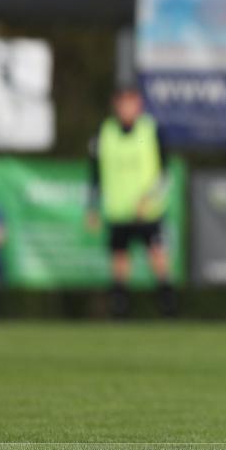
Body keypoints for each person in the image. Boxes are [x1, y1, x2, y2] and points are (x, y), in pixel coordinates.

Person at [87, 87, 177, 318]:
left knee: (158, 255)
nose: (127, 108)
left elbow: (165, 173)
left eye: (132, 102)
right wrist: (92, 207)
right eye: (123, 102)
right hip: (118, 211)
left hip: (148, 211)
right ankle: (120, 308)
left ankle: (168, 306)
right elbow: (95, 174)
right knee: (119, 258)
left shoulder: (151, 130)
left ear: (139, 105)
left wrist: (149, 199)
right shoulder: (104, 133)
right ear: (116, 104)